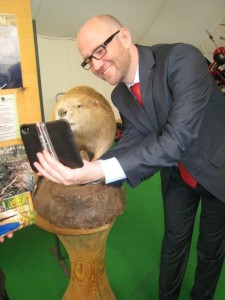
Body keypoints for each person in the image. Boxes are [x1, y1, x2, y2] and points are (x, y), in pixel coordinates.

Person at [34, 14, 225, 300]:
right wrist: (92, 166)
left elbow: (176, 139)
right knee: (173, 243)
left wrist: (98, 172)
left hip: (217, 170)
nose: (96, 65)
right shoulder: (120, 96)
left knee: (210, 250)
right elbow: (135, 136)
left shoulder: (181, 60)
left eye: (100, 50)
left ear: (124, 37)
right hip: (176, 174)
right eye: (88, 60)